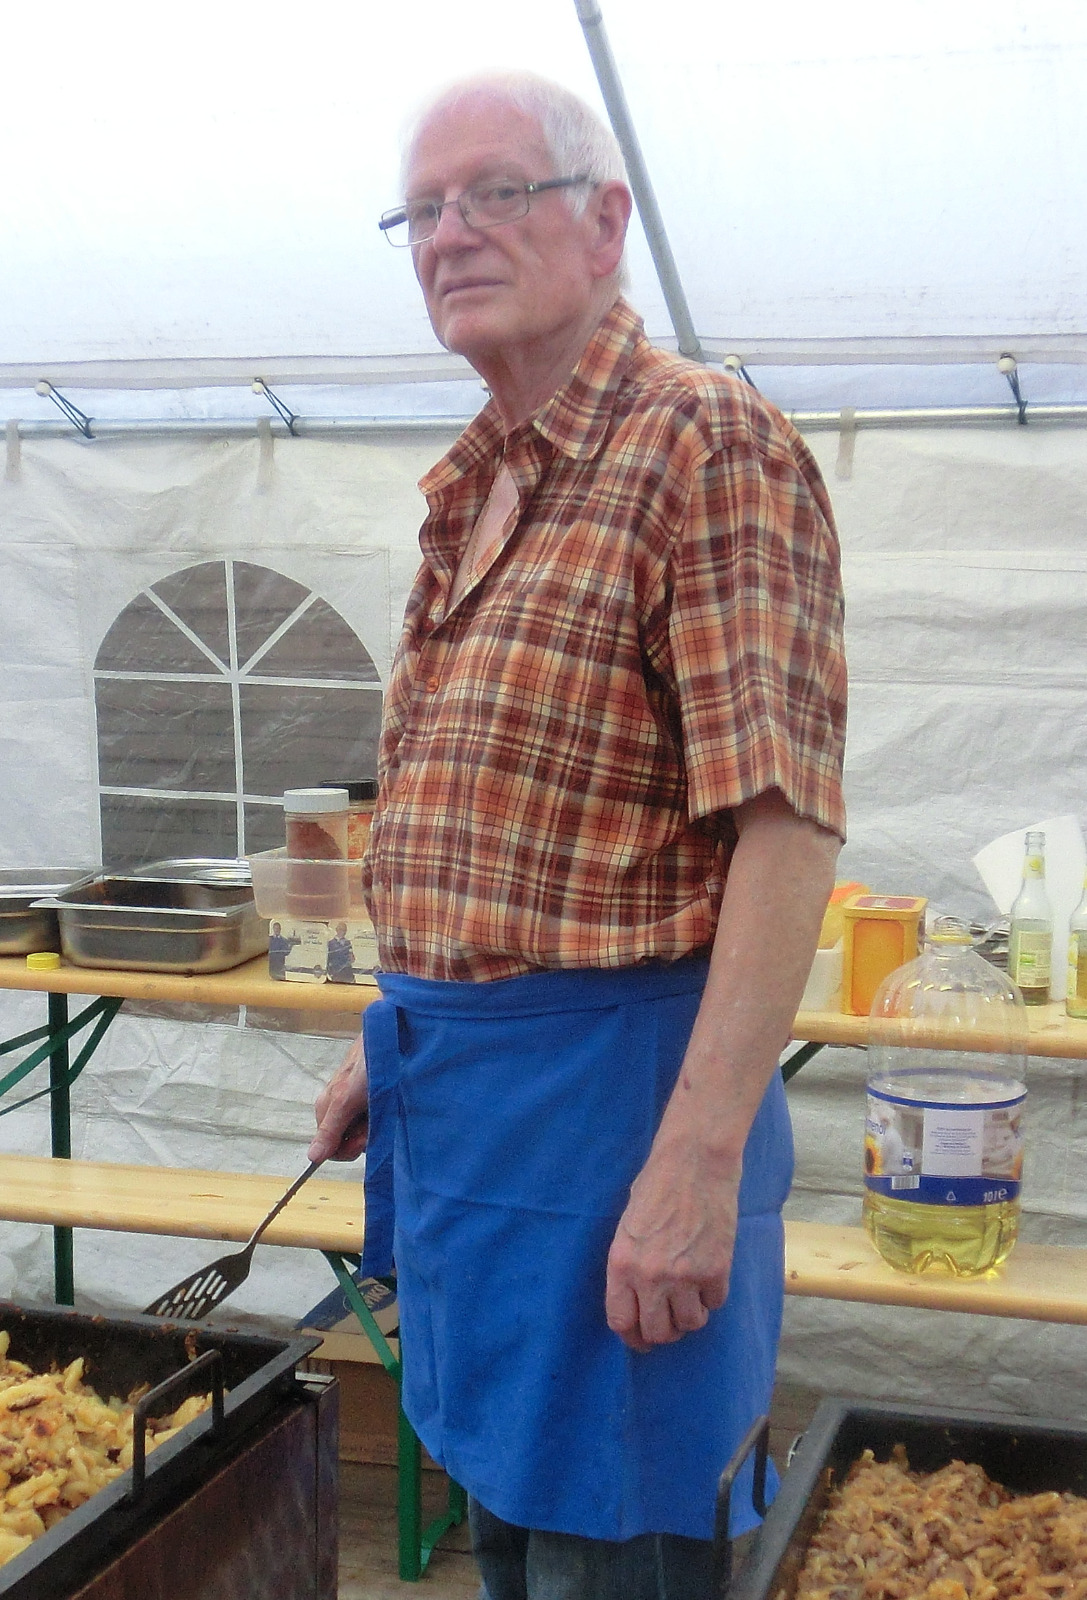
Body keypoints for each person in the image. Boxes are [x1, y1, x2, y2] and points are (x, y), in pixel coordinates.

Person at [310, 70, 846, 1600]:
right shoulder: (479, 485)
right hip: (477, 1123)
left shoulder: (703, 443)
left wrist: (696, 1166)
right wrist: (404, 1041)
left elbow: (786, 830)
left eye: (494, 192)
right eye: (422, 211)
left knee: (622, 1551)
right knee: (515, 1537)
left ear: (607, 222)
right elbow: (508, 822)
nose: (449, 234)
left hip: (620, 1127)